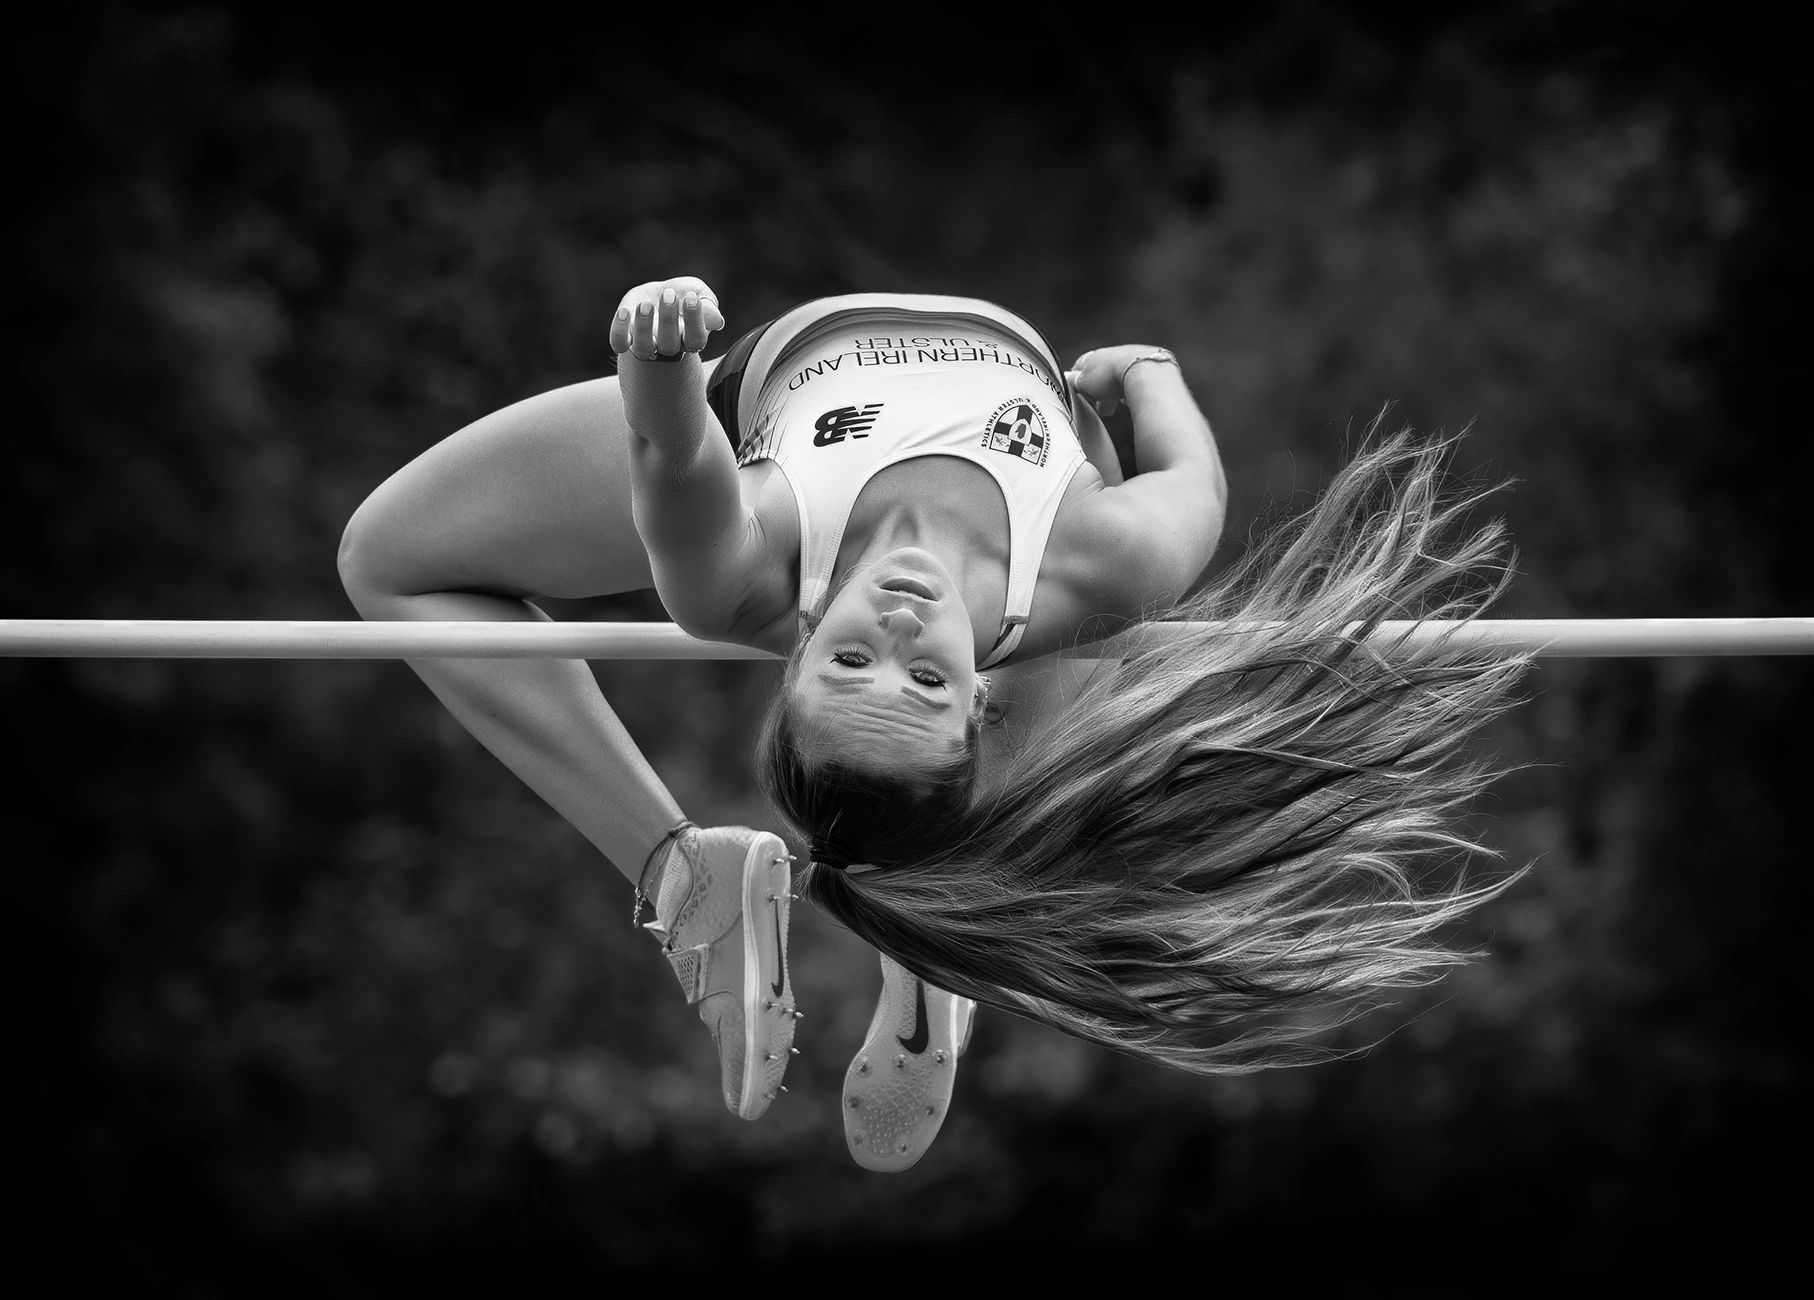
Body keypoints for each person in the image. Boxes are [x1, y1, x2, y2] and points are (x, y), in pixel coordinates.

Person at [337, 272, 1523, 1166]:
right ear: (974, 698)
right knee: (1092, 665)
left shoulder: (741, 575)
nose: (900, 633)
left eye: (850, 659)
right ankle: (934, 903)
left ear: (792, 657)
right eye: (927, 684)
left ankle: (683, 873)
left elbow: (671, 441)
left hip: (758, 385)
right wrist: (1153, 378)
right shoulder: (1093, 570)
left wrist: (655, 352)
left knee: (386, 556)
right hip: (1040, 511)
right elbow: (1191, 490)